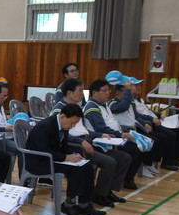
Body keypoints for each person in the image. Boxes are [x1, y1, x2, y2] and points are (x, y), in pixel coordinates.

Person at [52, 79, 130, 208]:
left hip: (87, 141)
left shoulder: (76, 108)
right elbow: (61, 135)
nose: (82, 94)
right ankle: (97, 196)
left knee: (123, 157)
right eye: (80, 91)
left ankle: (106, 191)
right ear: (70, 93)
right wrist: (82, 141)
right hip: (74, 145)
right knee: (108, 162)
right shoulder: (59, 110)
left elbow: (85, 130)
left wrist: (98, 135)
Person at [25, 104, 106, 215]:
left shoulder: (63, 126)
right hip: (39, 161)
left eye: (75, 124)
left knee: (87, 166)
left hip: (52, 159)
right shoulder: (45, 126)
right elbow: (44, 150)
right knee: (75, 169)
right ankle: (69, 205)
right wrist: (66, 157)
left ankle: (85, 203)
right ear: (63, 117)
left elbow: (63, 146)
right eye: (72, 123)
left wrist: (73, 154)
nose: (73, 126)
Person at [83, 79, 142, 189]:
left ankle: (110, 190)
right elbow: (101, 129)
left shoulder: (104, 105)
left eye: (108, 90)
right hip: (100, 144)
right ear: (94, 92)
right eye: (104, 91)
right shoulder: (92, 108)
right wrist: (120, 135)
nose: (107, 93)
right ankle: (105, 191)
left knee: (134, 149)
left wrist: (122, 134)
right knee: (127, 154)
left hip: (112, 140)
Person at [131, 80, 179, 167]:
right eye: (136, 86)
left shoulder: (139, 99)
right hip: (149, 123)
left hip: (155, 120)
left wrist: (159, 114)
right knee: (170, 135)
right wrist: (152, 119)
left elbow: (147, 110)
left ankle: (176, 158)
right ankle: (167, 162)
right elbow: (138, 115)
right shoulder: (130, 102)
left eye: (139, 85)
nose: (139, 87)